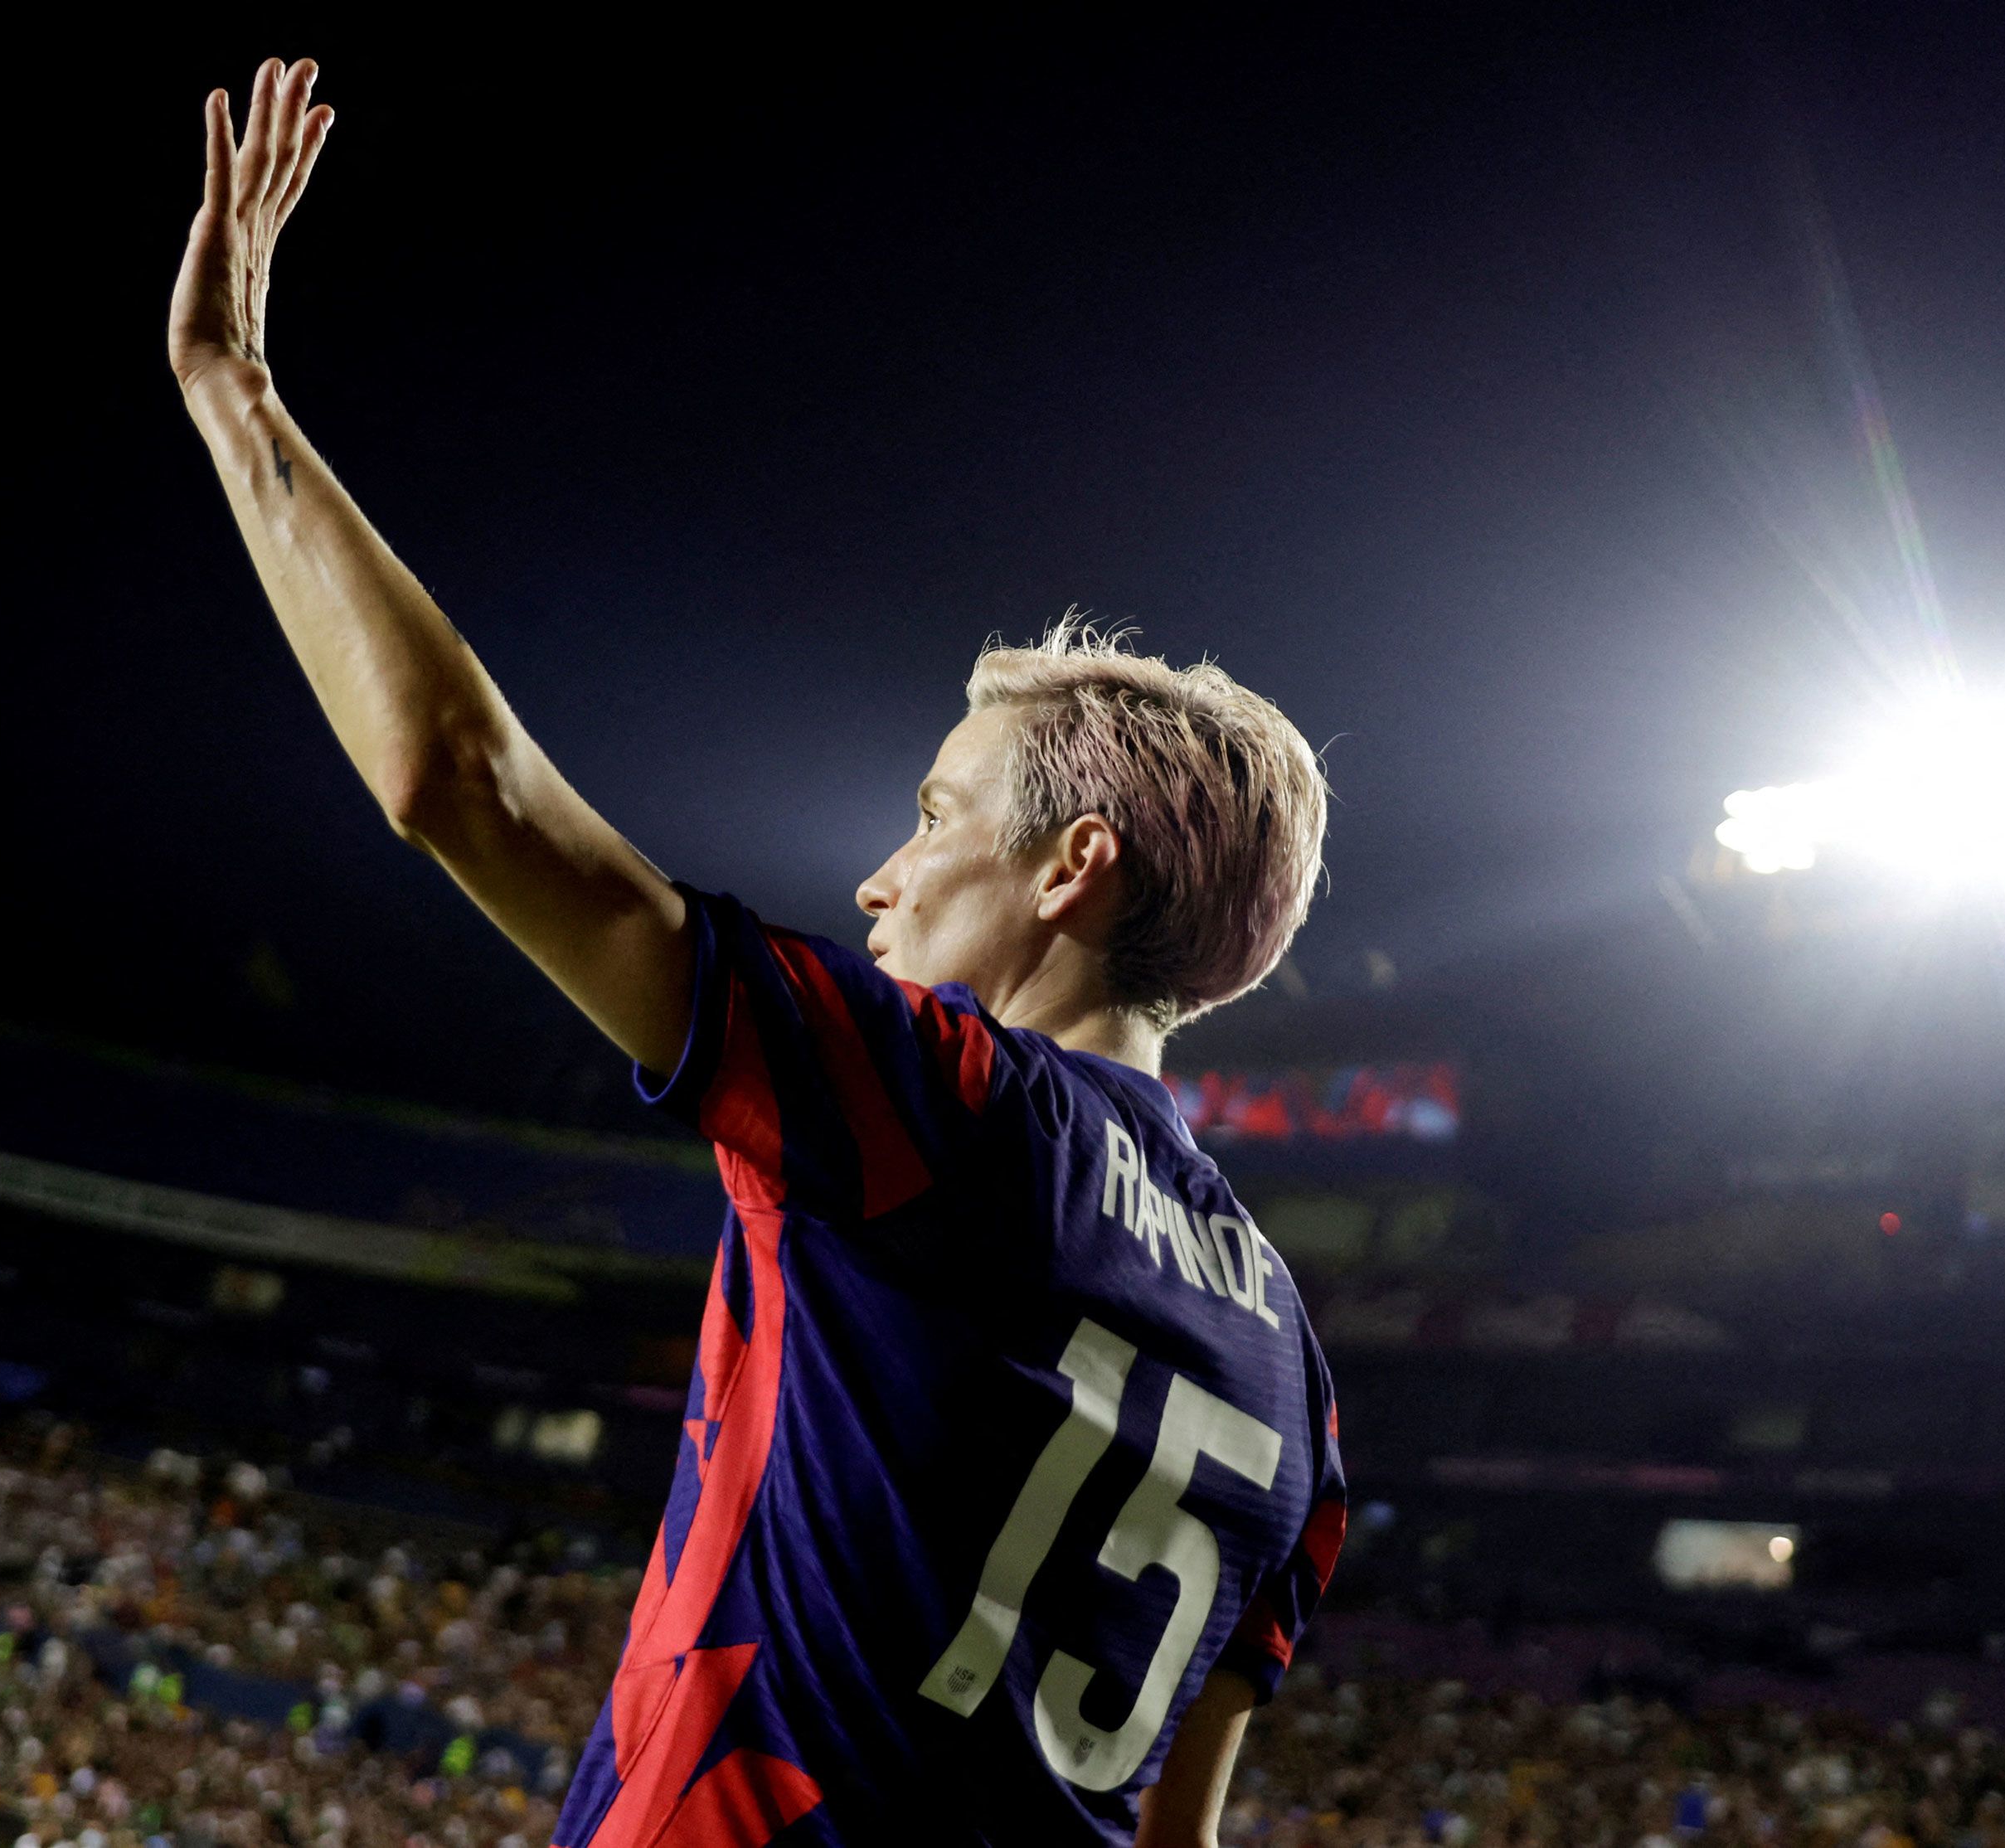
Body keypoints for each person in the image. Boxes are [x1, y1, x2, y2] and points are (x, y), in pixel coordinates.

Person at [167, 57, 1348, 1848]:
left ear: (1071, 871)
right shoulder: (1295, 1371)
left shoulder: (959, 1106)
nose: (881, 881)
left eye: (939, 813)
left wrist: (235, 397)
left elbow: (457, 786)